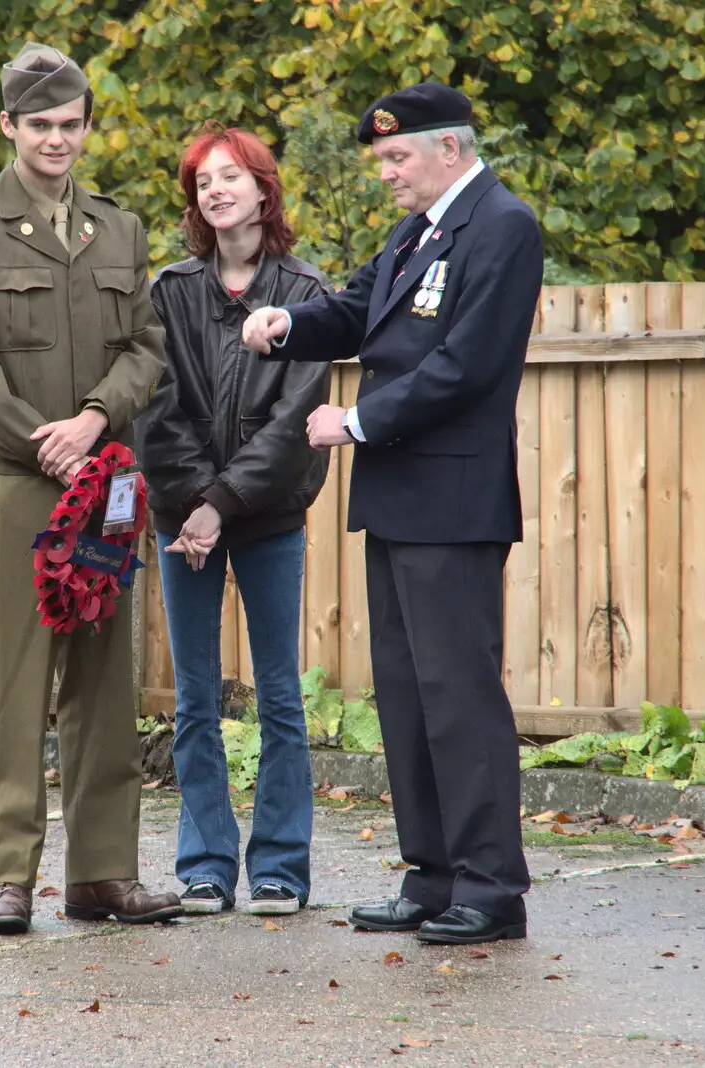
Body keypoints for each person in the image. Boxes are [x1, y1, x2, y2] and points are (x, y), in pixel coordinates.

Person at [242, 82, 544, 945]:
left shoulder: (502, 226)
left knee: (459, 695)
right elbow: (355, 311)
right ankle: (434, 873)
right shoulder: (420, 232)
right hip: (400, 500)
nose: (386, 173)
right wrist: (284, 325)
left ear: (451, 149)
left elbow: (468, 364)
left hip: (452, 499)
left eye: (396, 157)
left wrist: (357, 421)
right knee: (408, 696)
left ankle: (491, 888)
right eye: (381, 160)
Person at [0, 42, 180, 936]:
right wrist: (49, 443)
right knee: (16, 682)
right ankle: (6, 876)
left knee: (107, 681)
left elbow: (145, 346)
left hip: (106, 483)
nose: (58, 140)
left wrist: (97, 421)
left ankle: (104, 874)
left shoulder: (119, 229)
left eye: (71, 124)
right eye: (41, 125)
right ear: (9, 126)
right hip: (19, 485)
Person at [136, 126, 331, 916]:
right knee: (193, 699)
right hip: (182, 522)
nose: (214, 191)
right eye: (201, 182)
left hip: (268, 518)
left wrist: (222, 504)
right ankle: (206, 865)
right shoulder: (170, 292)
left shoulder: (309, 294)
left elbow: (294, 423)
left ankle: (281, 867)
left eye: (229, 177)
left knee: (280, 696)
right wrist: (196, 505)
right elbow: (157, 412)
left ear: (263, 190)